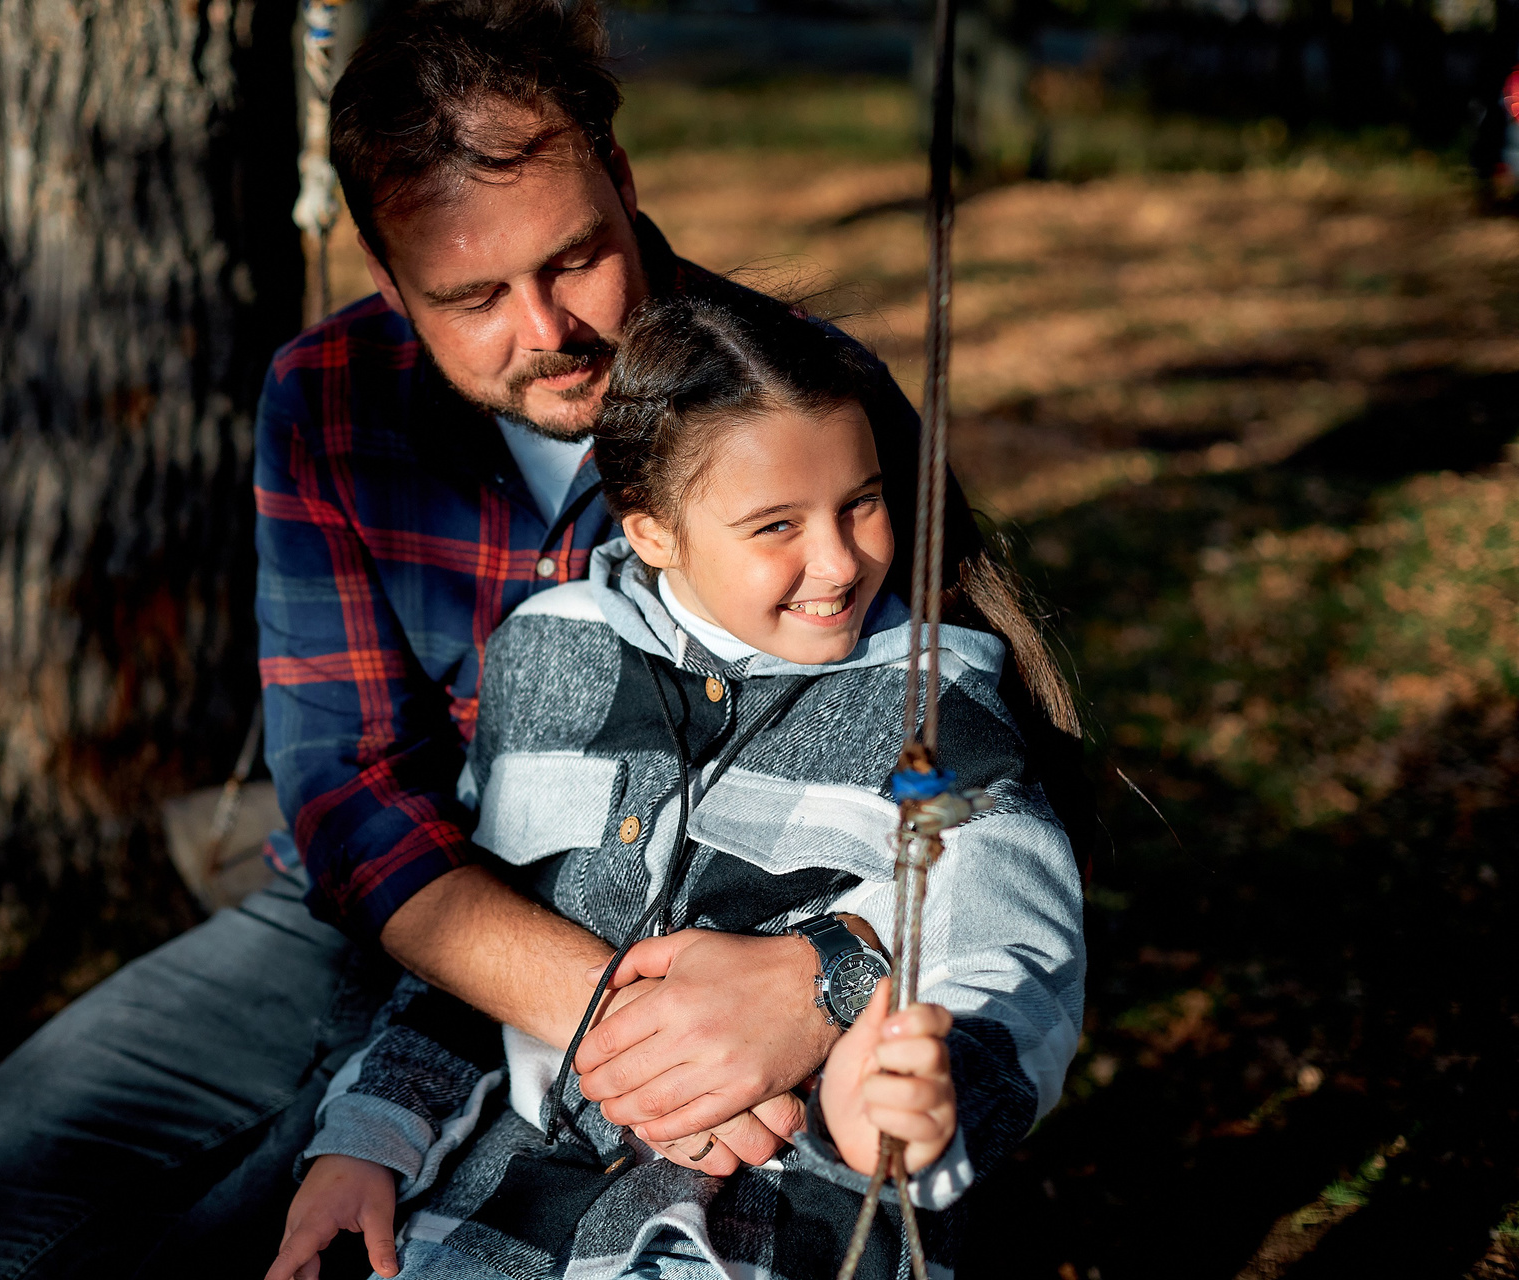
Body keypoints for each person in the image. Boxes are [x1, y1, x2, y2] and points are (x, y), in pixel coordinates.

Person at [0, 4, 1090, 1276]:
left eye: (575, 258)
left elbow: (971, 774)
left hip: (734, 938)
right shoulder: (326, 398)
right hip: (392, 927)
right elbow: (350, 789)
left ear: (623, 182)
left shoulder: (792, 396)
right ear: (389, 280)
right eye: (474, 296)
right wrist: (619, 1024)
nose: (547, 330)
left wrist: (832, 968)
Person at [264, 288, 1085, 1280]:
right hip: (503, 1212)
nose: (837, 561)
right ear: (651, 531)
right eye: (775, 524)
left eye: (861, 502)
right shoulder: (547, 654)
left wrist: (913, 1102)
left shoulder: (934, 710)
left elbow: (1007, 945)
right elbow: (467, 965)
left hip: (783, 1228)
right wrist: (366, 1137)